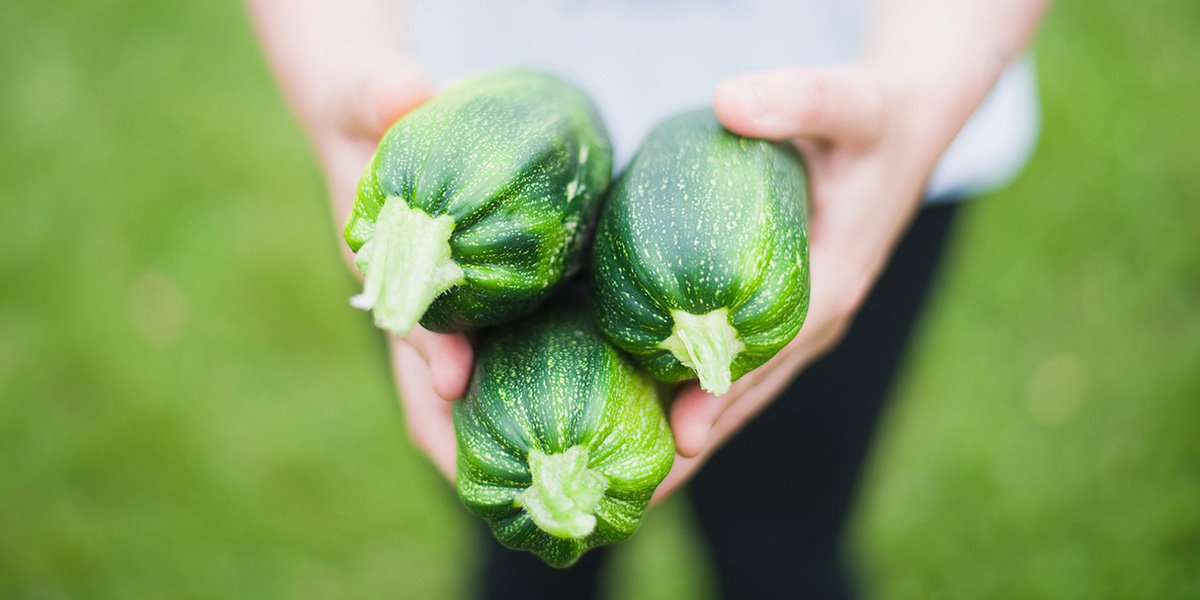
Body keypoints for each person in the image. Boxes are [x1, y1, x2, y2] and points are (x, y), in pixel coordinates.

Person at [248, 0, 1049, 596]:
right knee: (527, 558)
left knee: (783, 546)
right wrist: (334, 71)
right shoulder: (425, 200)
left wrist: (922, 95)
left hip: (853, 134)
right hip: (465, 131)